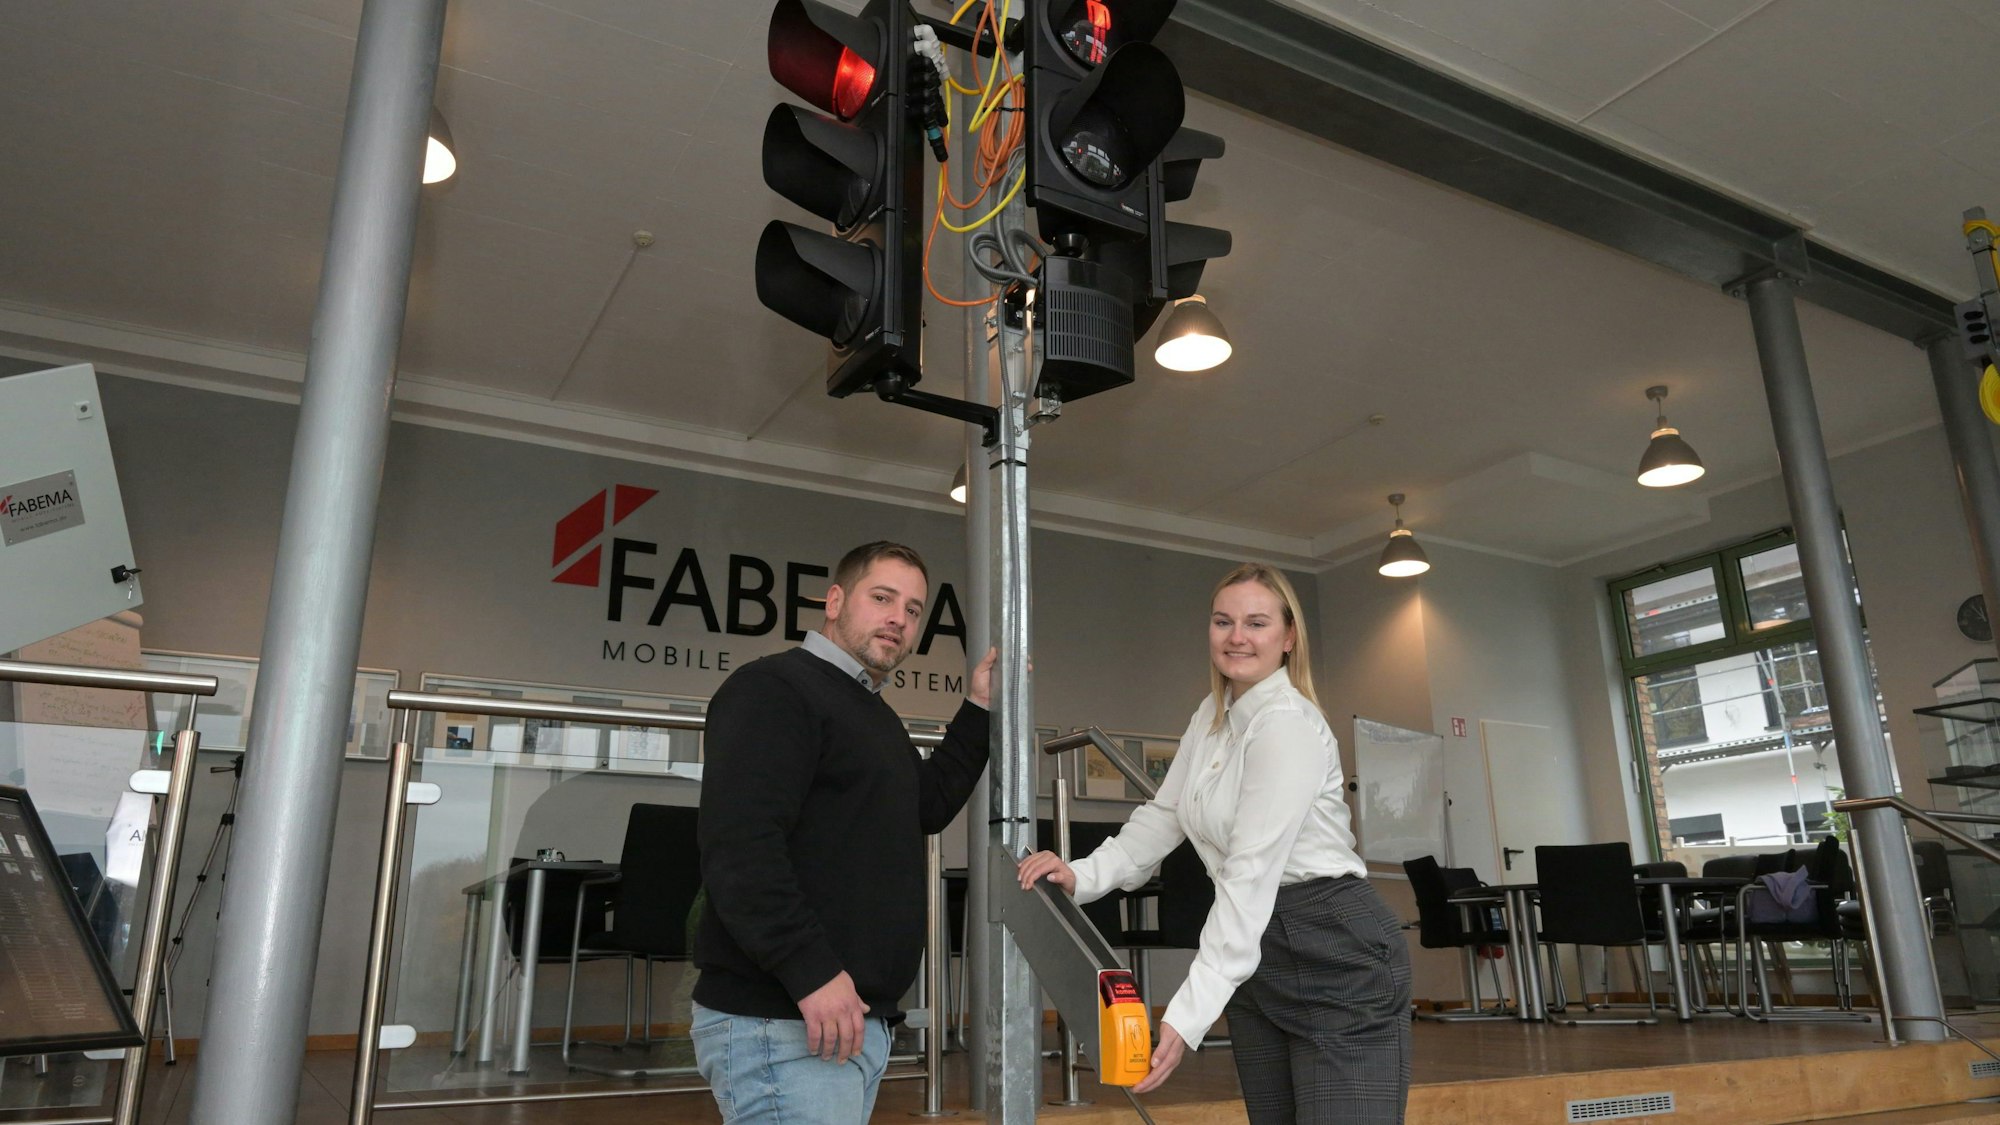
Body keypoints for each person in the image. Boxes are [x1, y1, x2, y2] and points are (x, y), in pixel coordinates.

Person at [1018, 562, 1411, 1124]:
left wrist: (1185, 1016)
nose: (1237, 637)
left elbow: (1249, 876)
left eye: (1256, 623)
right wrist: (1083, 874)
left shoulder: (1287, 725)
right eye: (1223, 621)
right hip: (1258, 949)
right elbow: (1164, 816)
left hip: (1333, 947)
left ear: (1288, 637)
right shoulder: (1211, 715)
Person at [692, 540, 996, 1124]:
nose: (898, 618)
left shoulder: (869, 710)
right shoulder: (775, 688)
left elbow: (926, 805)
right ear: (834, 601)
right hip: (787, 1020)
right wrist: (810, 971)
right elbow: (741, 849)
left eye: (912, 609)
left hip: (846, 1019)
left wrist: (979, 707)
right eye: (882, 598)